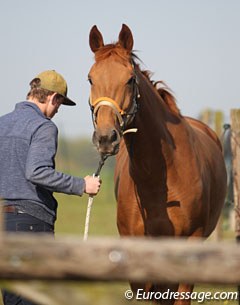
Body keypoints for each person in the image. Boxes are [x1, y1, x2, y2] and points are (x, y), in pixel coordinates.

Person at [0, 70, 101, 305]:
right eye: (60, 105)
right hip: (31, 226)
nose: (57, 112)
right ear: (53, 97)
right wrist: (82, 185)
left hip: (4, 225)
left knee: (13, 299)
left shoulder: (2, 123)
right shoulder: (43, 126)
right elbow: (36, 172)